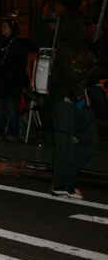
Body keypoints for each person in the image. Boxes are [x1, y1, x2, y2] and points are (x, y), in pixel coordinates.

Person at [48, 13, 100, 199]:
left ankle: (66, 175)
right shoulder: (65, 48)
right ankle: (62, 183)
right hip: (63, 101)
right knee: (64, 144)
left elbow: (89, 72)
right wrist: (89, 58)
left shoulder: (79, 49)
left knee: (91, 139)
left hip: (77, 101)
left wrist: (93, 58)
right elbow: (75, 71)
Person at [0, 19, 28, 142]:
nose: (2, 29)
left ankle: (13, 132)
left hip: (12, 81)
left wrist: (14, 74)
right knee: (0, 106)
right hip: (0, 80)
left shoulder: (19, 43)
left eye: (5, 26)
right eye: (2, 26)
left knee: (12, 107)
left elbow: (22, 62)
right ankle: (0, 130)